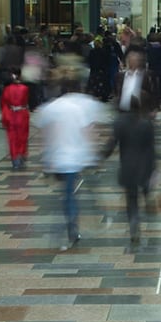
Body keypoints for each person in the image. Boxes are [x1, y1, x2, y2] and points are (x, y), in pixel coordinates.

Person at [32, 86, 103, 249]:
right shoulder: (76, 109)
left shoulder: (48, 110)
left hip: (56, 158)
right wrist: (92, 154)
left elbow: (44, 135)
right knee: (70, 193)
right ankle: (71, 226)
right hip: (74, 158)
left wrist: (45, 159)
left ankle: (65, 224)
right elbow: (86, 132)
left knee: (65, 193)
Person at [101, 97, 159, 244]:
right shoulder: (146, 124)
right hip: (145, 166)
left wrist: (100, 155)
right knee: (145, 187)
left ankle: (134, 224)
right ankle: (147, 198)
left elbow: (111, 144)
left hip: (128, 166)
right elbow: (151, 148)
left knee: (131, 199)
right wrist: (154, 168)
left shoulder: (119, 123)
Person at [0, 72, 31, 170]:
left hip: (11, 115)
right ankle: (22, 156)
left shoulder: (6, 89)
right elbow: (26, 101)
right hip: (22, 115)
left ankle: (14, 160)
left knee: (12, 138)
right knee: (23, 137)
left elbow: (3, 104)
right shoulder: (25, 88)